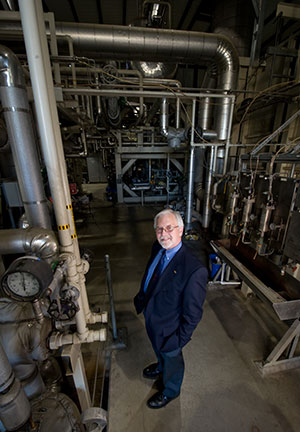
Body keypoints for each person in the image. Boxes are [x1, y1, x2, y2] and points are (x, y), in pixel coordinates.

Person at [134, 209, 207, 409]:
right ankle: (160, 366)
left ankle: (171, 390)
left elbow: (193, 315)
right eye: (159, 229)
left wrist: (178, 340)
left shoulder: (194, 270)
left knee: (172, 358)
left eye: (169, 228)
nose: (163, 234)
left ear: (181, 230)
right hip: (153, 318)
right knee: (160, 351)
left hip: (170, 330)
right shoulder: (157, 249)